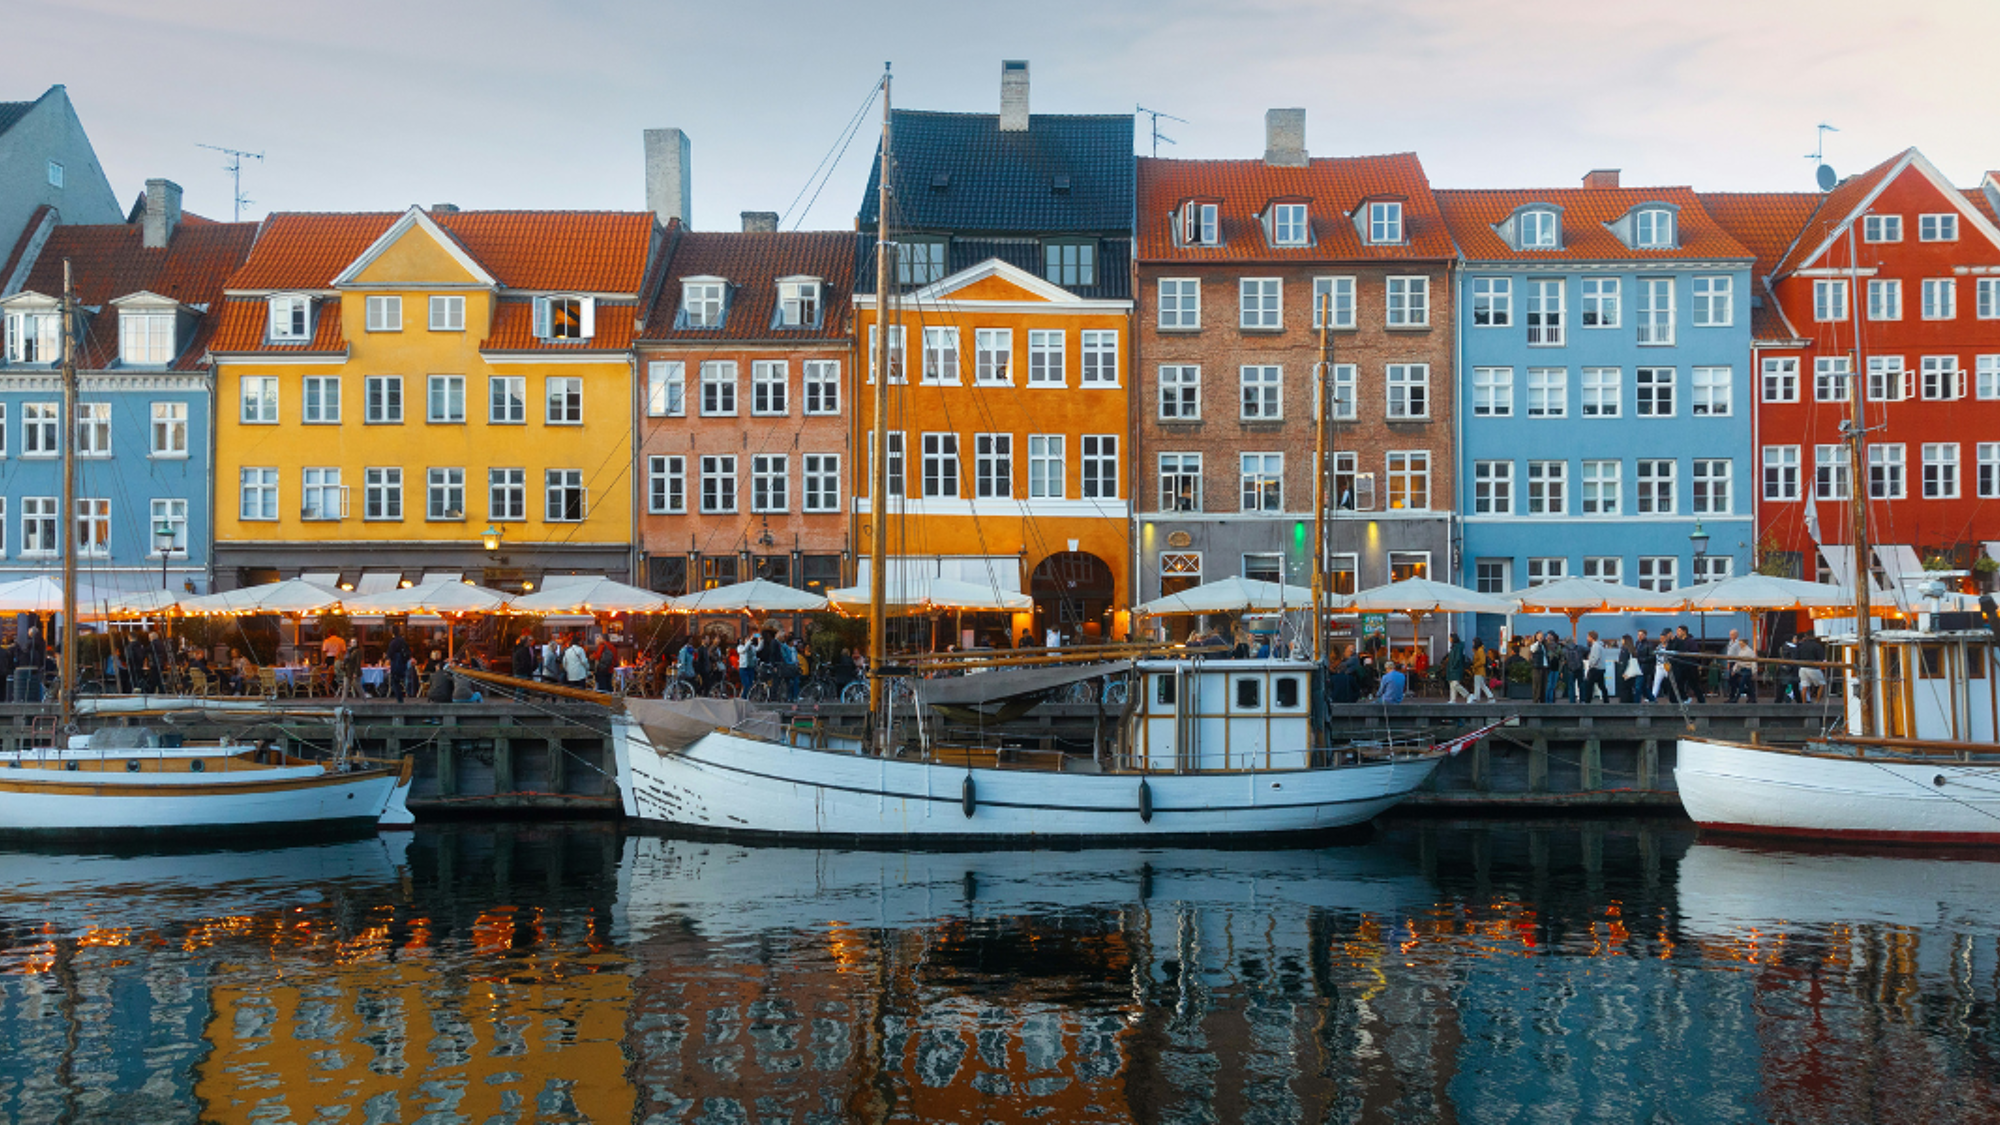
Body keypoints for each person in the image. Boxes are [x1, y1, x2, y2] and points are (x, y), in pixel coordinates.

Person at [1725, 628, 1758, 703]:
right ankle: (1751, 697)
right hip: (1739, 666)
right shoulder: (1732, 644)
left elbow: (1752, 661)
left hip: (1747, 668)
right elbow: (1738, 661)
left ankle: (1736, 698)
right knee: (1745, 683)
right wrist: (1734, 669)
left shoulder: (1748, 651)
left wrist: (1754, 671)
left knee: (1742, 683)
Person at [1795, 631, 1827, 703]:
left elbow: (1797, 656)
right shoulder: (1817, 646)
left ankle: (1804, 703)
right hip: (1813, 667)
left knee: (1804, 686)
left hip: (1802, 668)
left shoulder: (1801, 646)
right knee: (1822, 684)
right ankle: (1817, 701)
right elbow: (1822, 658)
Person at [387, 630, 412, 703]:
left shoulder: (393, 642)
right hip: (403, 665)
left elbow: (390, 654)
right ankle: (405, 694)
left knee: (394, 681)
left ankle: (399, 698)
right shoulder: (403, 642)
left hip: (396, 665)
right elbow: (408, 653)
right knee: (402, 681)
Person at [1445, 634, 1471, 703]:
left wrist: (1453, 666)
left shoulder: (1457, 647)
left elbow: (1457, 658)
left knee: (1455, 684)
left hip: (1455, 668)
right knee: (1452, 684)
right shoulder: (1455, 647)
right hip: (1452, 668)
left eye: (1450, 638)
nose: (1449, 639)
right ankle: (1452, 699)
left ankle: (1468, 695)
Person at [1634, 629, 1657, 703]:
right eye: (1638, 635)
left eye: (1641, 635)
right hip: (1638, 666)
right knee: (1643, 686)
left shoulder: (1649, 644)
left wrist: (1642, 659)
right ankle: (1652, 699)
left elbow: (1652, 657)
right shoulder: (1637, 643)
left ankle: (1636, 702)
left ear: (1645, 635)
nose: (1639, 636)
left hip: (1644, 667)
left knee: (1638, 686)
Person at [1528, 632, 1552, 704]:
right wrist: (1537, 642)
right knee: (1537, 684)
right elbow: (1532, 650)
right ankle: (1536, 699)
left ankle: (1542, 700)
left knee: (1543, 684)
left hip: (1544, 666)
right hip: (1537, 667)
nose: (1541, 638)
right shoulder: (1535, 646)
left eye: (1542, 636)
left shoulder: (1544, 646)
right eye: (1539, 636)